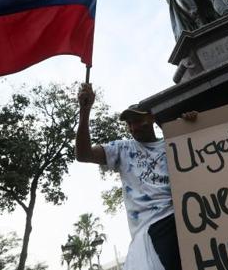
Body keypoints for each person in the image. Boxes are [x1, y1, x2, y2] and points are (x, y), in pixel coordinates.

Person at [76, 83, 195, 270]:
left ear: (152, 118)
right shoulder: (123, 149)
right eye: (129, 123)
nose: (133, 127)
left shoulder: (173, 143)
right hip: (154, 229)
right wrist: (84, 111)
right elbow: (83, 154)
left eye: (138, 120)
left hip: (188, 216)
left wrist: (194, 124)